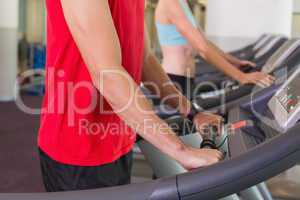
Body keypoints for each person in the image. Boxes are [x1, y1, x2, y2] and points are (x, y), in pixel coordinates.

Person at [38, 0, 224, 192]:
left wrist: (192, 112)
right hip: (77, 144)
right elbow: (107, 74)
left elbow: (145, 59)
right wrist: (182, 151)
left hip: (120, 135)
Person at [155, 0, 275, 97]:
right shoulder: (169, 2)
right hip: (172, 80)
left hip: (187, 79)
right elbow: (202, 49)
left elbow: (204, 42)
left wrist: (234, 62)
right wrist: (241, 77)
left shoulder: (183, 3)